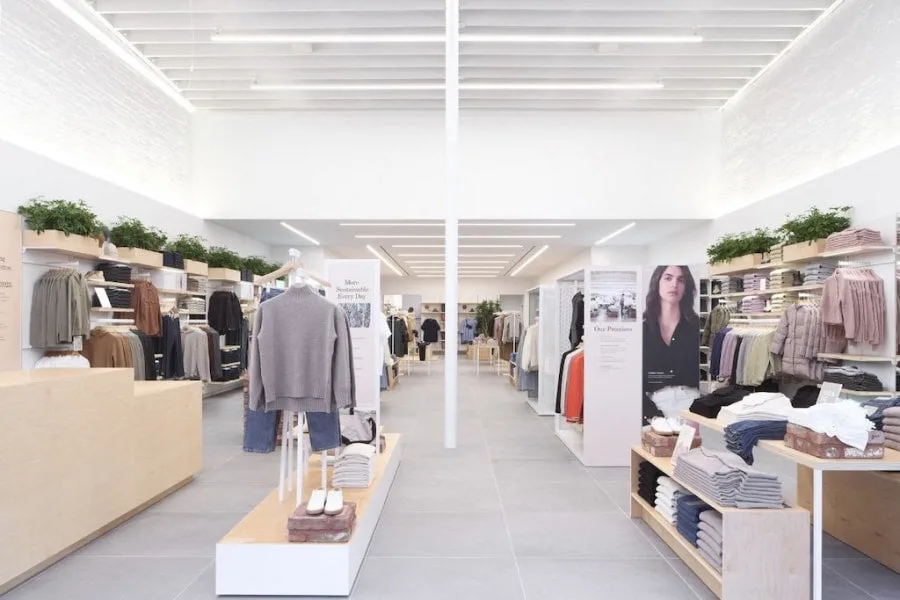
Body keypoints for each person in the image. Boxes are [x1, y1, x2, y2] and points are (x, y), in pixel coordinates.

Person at [642, 265, 701, 423]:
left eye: (681, 280)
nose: (674, 284)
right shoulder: (642, 329)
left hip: (692, 403)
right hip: (654, 404)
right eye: (668, 278)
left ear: (686, 288)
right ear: (657, 283)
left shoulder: (697, 326)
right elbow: (633, 379)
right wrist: (652, 415)